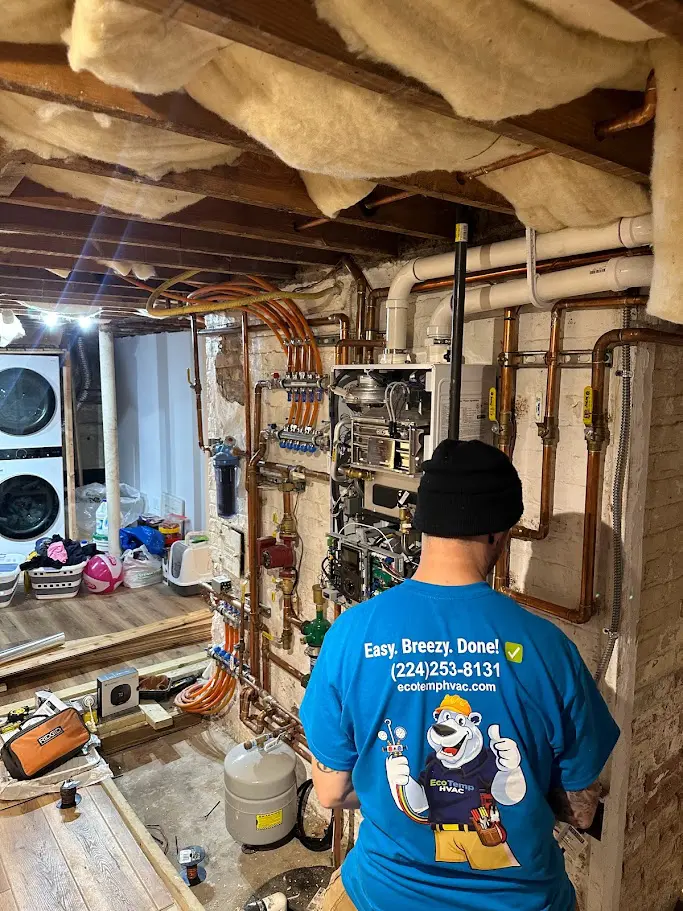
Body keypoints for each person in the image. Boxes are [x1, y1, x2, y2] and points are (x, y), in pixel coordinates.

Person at [300, 439, 619, 911]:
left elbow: (331, 791)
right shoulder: (548, 649)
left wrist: (396, 788)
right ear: (498, 533)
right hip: (523, 901)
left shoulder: (350, 635)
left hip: (384, 895)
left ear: (423, 522)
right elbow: (582, 809)